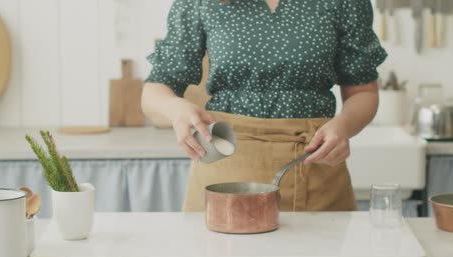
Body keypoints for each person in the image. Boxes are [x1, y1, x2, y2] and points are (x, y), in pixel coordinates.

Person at [142, 0, 387, 212]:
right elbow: (154, 92)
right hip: (223, 172)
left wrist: (344, 126)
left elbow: (363, 92)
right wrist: (176, 109)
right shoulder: (202, 3)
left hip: (315, 171)